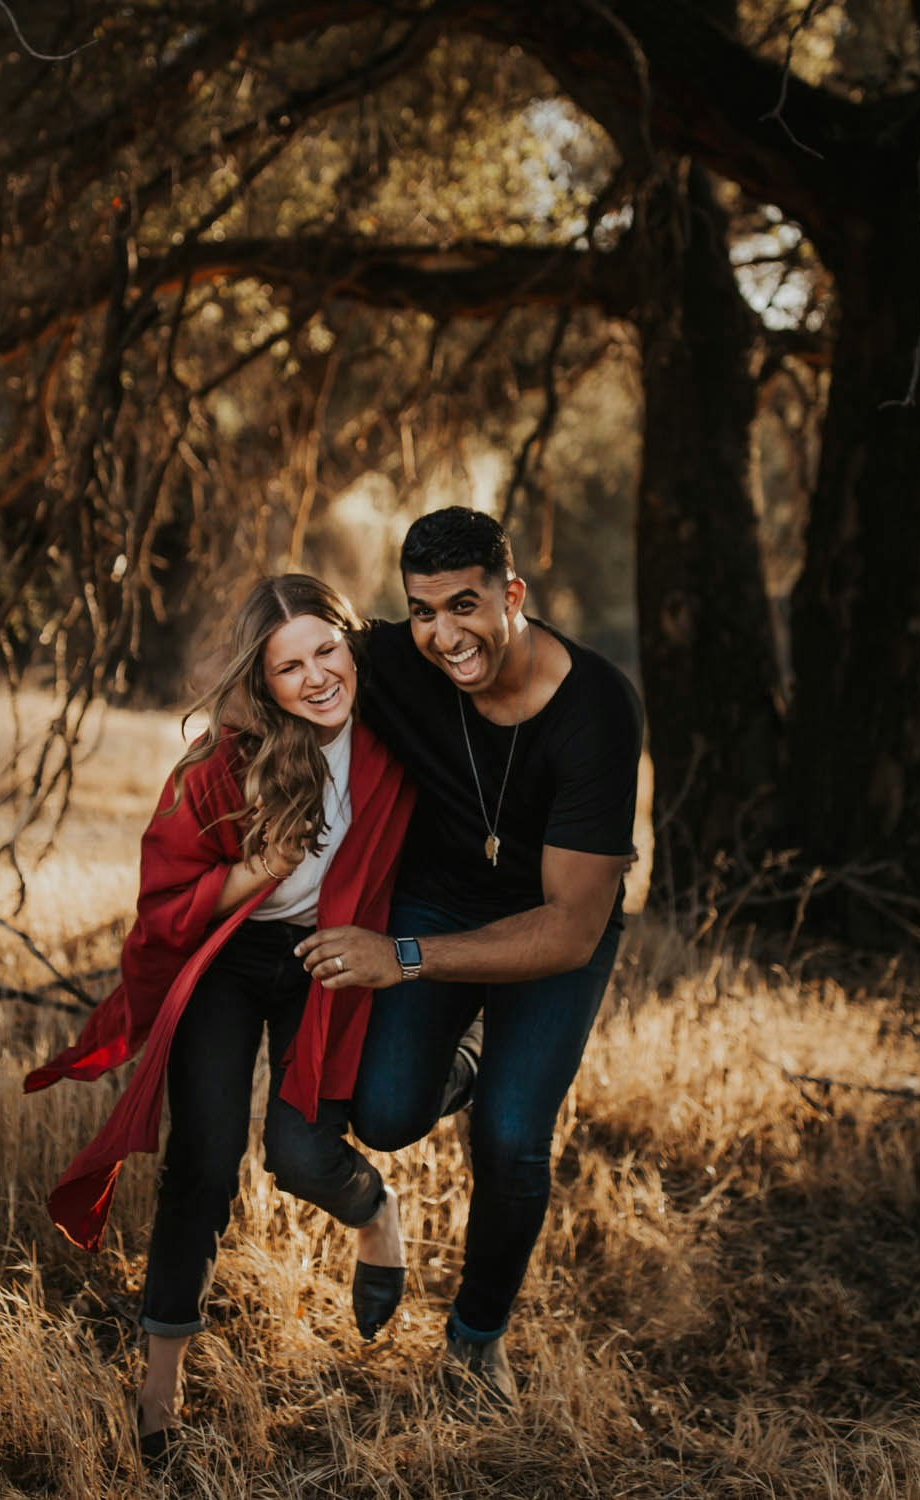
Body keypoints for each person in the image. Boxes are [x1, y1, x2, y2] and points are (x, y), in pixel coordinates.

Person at [22, 574, 416, 1461]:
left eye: (327, 650)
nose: (316, 677)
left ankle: (376, 1217)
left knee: (298, 1151)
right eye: (289, 666)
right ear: (262, 680)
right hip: (233, 961)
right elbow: (162, 902)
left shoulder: (399, 739)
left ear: (352, 645)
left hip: (332, 956)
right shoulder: (220, 764)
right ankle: (159, 1396)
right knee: (202, 1158)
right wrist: (255, 868)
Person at [294, 507, 643, 1409]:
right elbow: (287, 652)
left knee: (515, 1137)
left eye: (464, 606)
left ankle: (475, 1340)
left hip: (557, 915)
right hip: (440, 892)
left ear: (511, 594)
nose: (445, 636)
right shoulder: (395, 661)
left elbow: (569, 928)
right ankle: (471, 1064)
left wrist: (400, 957)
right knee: (386, 1113)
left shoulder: (597, 709)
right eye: (421, 612)